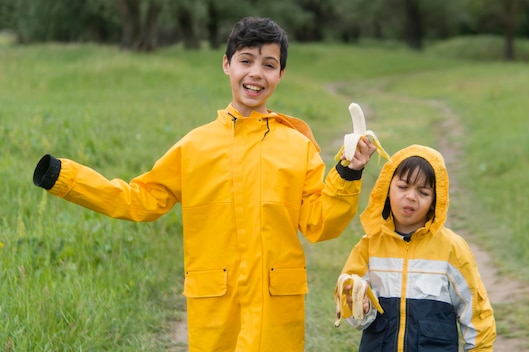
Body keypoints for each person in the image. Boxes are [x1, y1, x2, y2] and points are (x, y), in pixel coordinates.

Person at [32, 16, 379, 352]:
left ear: (281, 74)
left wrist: (349, 172)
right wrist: (66, 178)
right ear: (227, 64)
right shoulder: (195, 146)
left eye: (269, 65)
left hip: (275, 306)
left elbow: (320, 224)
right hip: (215, 306)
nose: (256, 73)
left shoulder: (297, 147)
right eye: (246, 61)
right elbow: (139, 200)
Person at [337, 144, 496, 351]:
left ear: (434, 201)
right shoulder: (368, 247)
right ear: (386, 189)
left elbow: (476, 314)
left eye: (423, 192)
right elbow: (357, 318)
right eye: (403, 187)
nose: (411, 196)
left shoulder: (452, 249)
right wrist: (361, 307)